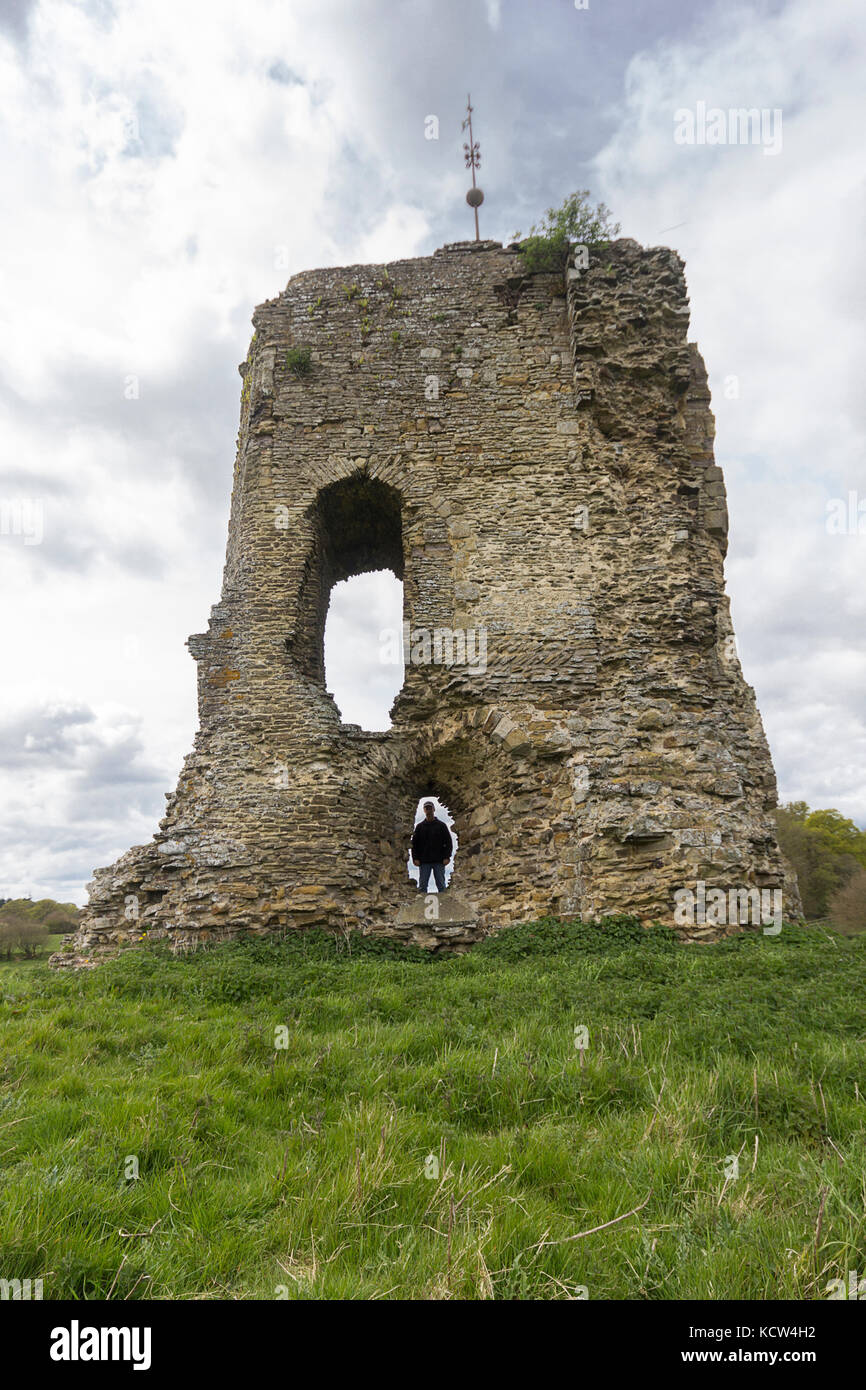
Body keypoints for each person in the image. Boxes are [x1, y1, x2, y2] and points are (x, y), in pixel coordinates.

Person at [411, 801, 453, 893]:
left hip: (439, 860)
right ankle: (422, 906)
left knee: (441, 885)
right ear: (424, 810)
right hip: (424, 861)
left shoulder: (441, 826)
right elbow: (414, 844)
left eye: (430, 808)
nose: (428, 809)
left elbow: (448, 842)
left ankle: (444, 905)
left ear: (434, 809)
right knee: (422, 886)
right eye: (426, 808)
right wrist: (415, 858)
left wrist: (447, 856)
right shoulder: (419, 827)